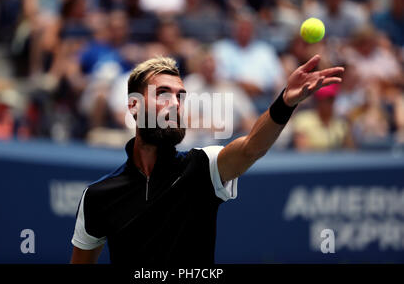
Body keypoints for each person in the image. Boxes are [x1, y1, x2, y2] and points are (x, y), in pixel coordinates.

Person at [70, 55, 343, 264]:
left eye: (180, 97)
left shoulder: (203, 166)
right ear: (133, 105)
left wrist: (285, 103)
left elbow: (251, 148)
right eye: (163, 94)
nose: (176, 104)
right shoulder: (97, 197)